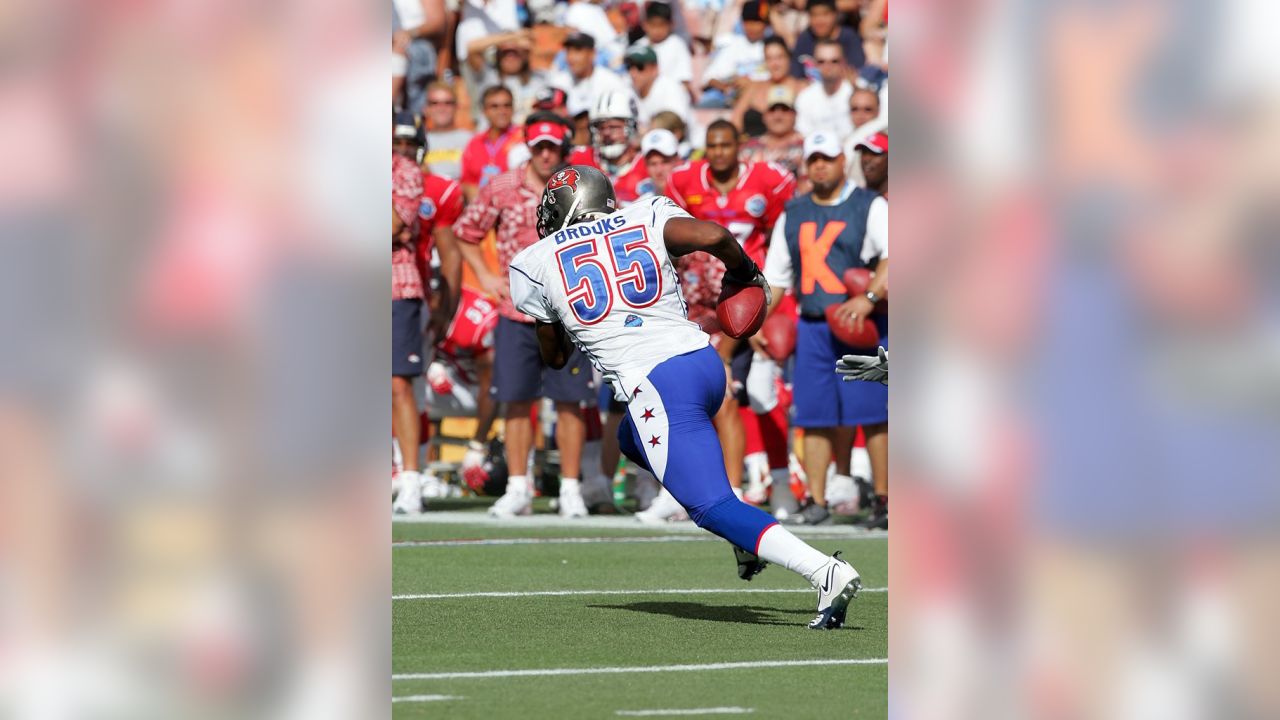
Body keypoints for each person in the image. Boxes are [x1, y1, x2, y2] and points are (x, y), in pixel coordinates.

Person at [509, 164, 862, 629]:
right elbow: (715, 237)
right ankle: (746, 536)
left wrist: (555, 315)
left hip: (655, 382)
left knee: (709, 506)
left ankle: (825, 571)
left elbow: (554, 358)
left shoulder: (534, 261)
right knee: (633, 437)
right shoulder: (647, 212)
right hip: (702, 363)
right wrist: (745, 275)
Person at [452, 117, 596, 519]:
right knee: (516, 400)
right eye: (539, 147)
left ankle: (570, 488)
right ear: (529, 147)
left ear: (565, 148)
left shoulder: (583, 185)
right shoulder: (501, 186)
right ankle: (518, 486)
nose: (546, 154)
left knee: (571, 401)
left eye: (553, 147)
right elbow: (466, 231)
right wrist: (485, 276)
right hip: (517, 310)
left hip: (571, 309)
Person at [758, 133, 888, 525]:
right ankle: (816, 501)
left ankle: (885, 499)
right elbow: (776, 279)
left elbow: (894, 255)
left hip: (860, 322)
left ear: (840, 160)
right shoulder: (793, 212)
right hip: (813, 324)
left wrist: (868, 297)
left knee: (874, 414)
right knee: (814, 416)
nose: (819, 166)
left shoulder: (870, 205)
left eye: (827, 158)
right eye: (813, 159)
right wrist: (754, 321)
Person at [665, 119, 795, 501]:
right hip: (696, 298)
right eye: (712, 146)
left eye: (726, 145)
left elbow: (781, 233)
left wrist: (764, 305)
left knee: (748, 393)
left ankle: (773, 482)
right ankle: (685, 488)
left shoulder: (768, 179)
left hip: (746, 296)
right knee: (691, 395)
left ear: (739, 145)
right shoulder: (684, 180)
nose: (719, 153)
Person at [462, 30, 550, 124]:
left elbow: (548, 51)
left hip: (528, 134)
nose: (510, 57)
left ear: (525, 55)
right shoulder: (488, 75)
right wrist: (512, 38)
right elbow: (472, 48)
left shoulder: (539, 78)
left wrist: (526, 43)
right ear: (498, 56)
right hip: (493, 136)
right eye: (505, 53)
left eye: (515, 53)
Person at [732, 37, 808, 137]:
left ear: (789, 58)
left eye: (779, 57)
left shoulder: (802, 88)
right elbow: (736, 122)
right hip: (755, 148)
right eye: (769, 58)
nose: (775, 64)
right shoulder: (754, 88)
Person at [700, 1, 771, 108]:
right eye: (747, 22)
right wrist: (726, 88)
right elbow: (710, 78)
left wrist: (750, 84)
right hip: (730, 99)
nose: (751, 27)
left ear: (765, 25)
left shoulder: (772, 45)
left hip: (761, 98)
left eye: (756, 22)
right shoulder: (733, 44)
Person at [459, 85, 524, 201]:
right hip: (480, 207)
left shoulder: (523, 138)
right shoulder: (475, 143)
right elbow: (466, 183)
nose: (502, 111)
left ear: (513, 108)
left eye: (507, 105)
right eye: (494, 106)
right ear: (484, 111)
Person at [551, 32, 628, 127]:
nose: (571, 57)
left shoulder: (611, 81)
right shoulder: (558, 83)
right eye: (568, 51)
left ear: (592, 54)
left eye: (577, 51)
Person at [739, 85, 806, 185]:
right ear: (764, 116)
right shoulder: (749, 148)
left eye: (784, 109)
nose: (778, 116)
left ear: (794, 114)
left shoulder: (806, 147)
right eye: (772, 110)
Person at [795, 40, 855, 142]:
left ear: (844, 62)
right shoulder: (805, 97)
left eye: (834, 61)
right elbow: (803, 134)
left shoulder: (855, 94)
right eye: (821, 62)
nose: (828, 67)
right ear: (814, 64)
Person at [792, 0, 865, 77]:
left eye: (825, 14)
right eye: (814, 15)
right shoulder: (804, 39)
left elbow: (856, 72)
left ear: (835, 15)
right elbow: (796, 75)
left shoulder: (849, 37)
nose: (819, 21)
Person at [634, 1, 694, 94]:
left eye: (661, 25)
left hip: (671, 97)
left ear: (671, 25)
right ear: (645, 24)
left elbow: (684, 81)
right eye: (653, 25)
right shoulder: (638, 47)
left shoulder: (677, 45)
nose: (657, 30)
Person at [625, 46, 692, 129]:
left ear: (654, 69)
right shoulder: (629, 88)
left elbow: (677, 126)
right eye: (629, 67)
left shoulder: (671, 88)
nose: (632, 73)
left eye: (640, 67)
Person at [423, 83, 472, 180]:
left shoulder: (471, 139)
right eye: (435, 103)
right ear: (426, 109)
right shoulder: (418, 141)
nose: (441, 108)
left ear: (456, 107)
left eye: (447, 103)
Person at [842, 88, 887, 185]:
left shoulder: (887, 142)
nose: (860, 115)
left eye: (867, 110)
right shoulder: (842, 143)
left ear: (878, 111)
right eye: (855, 109)